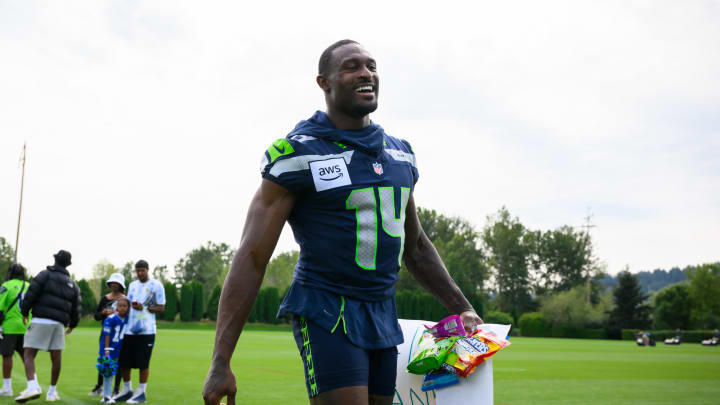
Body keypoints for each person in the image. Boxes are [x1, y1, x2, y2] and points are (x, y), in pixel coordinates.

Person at [202, 39, 483, 405]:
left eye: (371, 66)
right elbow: (252, 256)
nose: (366, 73)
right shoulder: (300, 152)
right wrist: (220, 360)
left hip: (383, 312)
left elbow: (414, 245)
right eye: (352, 66)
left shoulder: (400, 154)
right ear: (325, 83)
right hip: (326, 308)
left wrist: (461, 306)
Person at [16, 250, 81, 403]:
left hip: (41, 320)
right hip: (59, 324)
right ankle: (52, 392)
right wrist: (73, 324)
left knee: (29, 353)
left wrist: (24, 311)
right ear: (68, 264)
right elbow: (77, 307)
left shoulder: (44, 275)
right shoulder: (73, 285)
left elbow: (31, 294)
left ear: (55, 260)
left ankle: (32, 387)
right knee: (56, 357)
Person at [114, 260, 165, 404]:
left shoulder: (156, 285)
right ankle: (127, 390)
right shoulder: (132, 285)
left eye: (142, 270)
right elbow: (128, 304)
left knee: (143, 363)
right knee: (124, 362)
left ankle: (141, 392)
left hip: (147, 330)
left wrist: (145, 307)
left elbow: (161, 307)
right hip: (130, 329)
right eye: (137, 271)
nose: (140, 273)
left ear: (148, 270)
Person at [89, 273, 126, 397]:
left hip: (120, 335)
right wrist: (103, 312)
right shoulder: (105, 299)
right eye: (112, 282)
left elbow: (127, 314)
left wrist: (116, 312)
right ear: (109, 284)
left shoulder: (125, 299)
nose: (114, 284)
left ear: (121, 285)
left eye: (117, 283)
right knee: (104, 359)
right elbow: (96, 316)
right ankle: (99, 387)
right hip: (106, 333)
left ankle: (116, 389)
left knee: (119, 361)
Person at [0, 263, 31, 397]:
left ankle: (7, 388)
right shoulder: (29, 286)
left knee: (7, 356)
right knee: (27, 357)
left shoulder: (6, 286)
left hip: (9, 326)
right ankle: (33, 385)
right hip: (26, 326)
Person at [98, 297, 129, 403]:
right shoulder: (110, 319)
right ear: (117, 307)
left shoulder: (127, 318)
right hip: (108, 349)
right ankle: (106, 395)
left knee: (113, 371)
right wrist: (106, 350)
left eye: (125, 306)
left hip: (118, 349)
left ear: (128, 307)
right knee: (108, 372)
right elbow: (106, 334)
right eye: (120, 305)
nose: (122, 308)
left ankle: (106, 395)